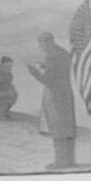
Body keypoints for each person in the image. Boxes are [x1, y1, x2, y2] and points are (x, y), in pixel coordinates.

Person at [27, 32, 77, 169]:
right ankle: (70, 161)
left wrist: (34, 72)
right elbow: (58, 72)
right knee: (67, 128)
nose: (40, 47)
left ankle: (60, 162)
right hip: (66, 94)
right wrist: (44, 66)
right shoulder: (63, 53)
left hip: (55, 96)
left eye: (41, 44)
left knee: (58, 128)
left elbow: (49, 80)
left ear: (46, 42)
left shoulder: (52, 56)